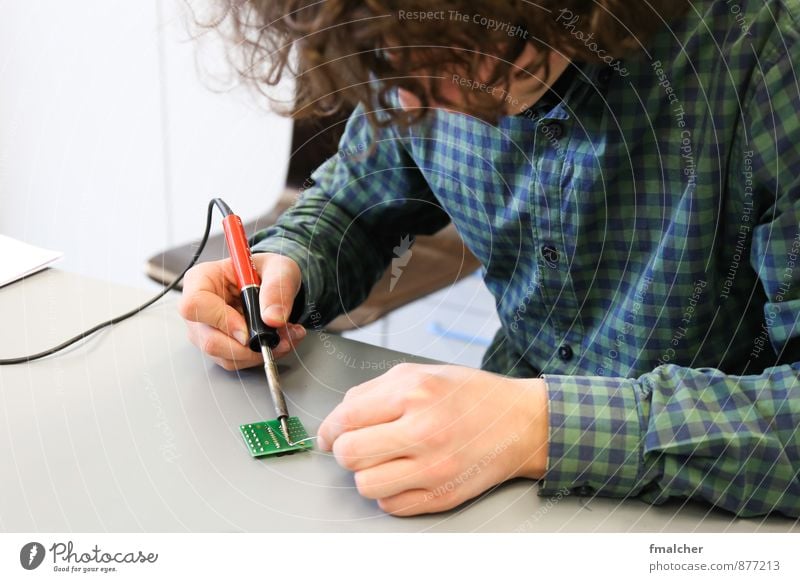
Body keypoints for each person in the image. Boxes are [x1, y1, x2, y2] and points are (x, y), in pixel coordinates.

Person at [178, 0, 800, 518]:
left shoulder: (770, 55)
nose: (455, 101)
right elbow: (353, 201)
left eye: (473, 54)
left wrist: (540, 425)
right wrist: (289, 265)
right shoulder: (403, 37)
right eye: (409, 70)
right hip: (496, 483)